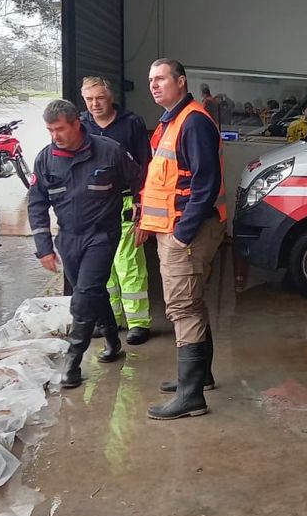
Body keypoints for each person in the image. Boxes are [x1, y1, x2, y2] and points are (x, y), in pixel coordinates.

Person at [133, 59, 227, 420]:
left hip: (186, 231)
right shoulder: (172, 121)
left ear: (181, 81)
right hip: (176, 228)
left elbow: (206, 184)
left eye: (161, 79)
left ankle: (191, 397)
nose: (154, 85)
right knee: (192, 303)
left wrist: (182, 233)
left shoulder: (193, 121)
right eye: (150, 80)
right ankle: (200, 377)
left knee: (183, 307)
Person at [28, 99, 143, 388]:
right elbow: (37, 203)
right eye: (50, 130)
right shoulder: (45, 159)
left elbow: (140, 181)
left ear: (76, 124)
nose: (55, 136)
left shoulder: (109, 151)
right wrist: (44, 247)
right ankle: (113, 341)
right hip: (68, 237)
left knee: (83, 296)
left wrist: (141, 215)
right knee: (91, 291)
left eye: (60, 129)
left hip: (102, 234)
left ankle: (73, 362)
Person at [80, 76, 154, 345]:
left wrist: (142, 205)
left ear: (111, 97)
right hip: (92, 207)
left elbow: (146, 166)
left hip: (124, 203)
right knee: (102, 267)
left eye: (100, 98)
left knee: (129, 265)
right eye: (89, 99)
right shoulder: (80, 124)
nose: (95, 104)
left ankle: (138, 323)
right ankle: (111, 318)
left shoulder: (131, 123)